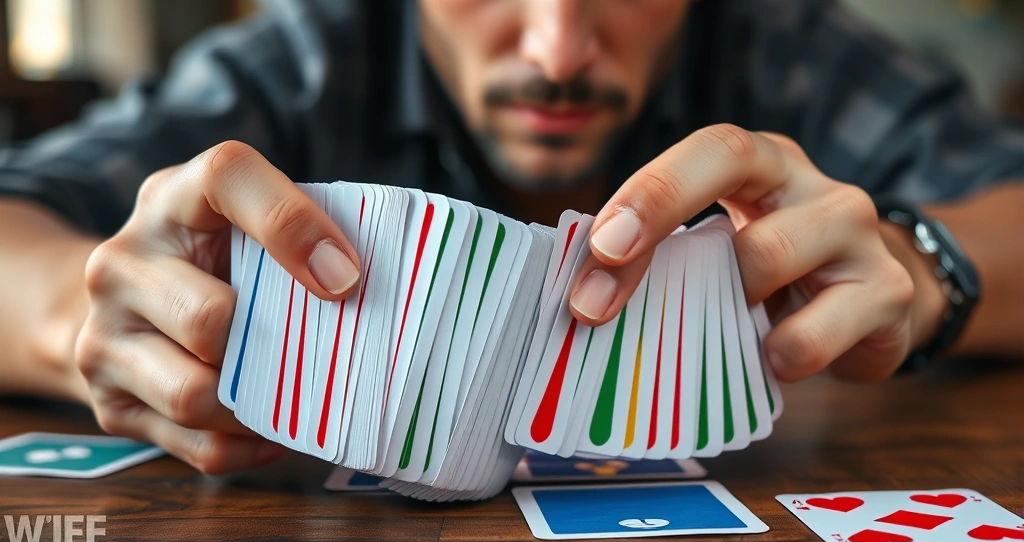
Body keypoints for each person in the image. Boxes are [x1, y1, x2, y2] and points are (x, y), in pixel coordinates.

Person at [1, 0, 1022, 474]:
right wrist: (85, 312)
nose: (557, 49)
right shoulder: (308, 55)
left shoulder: (785, 45)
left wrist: (923, 267)